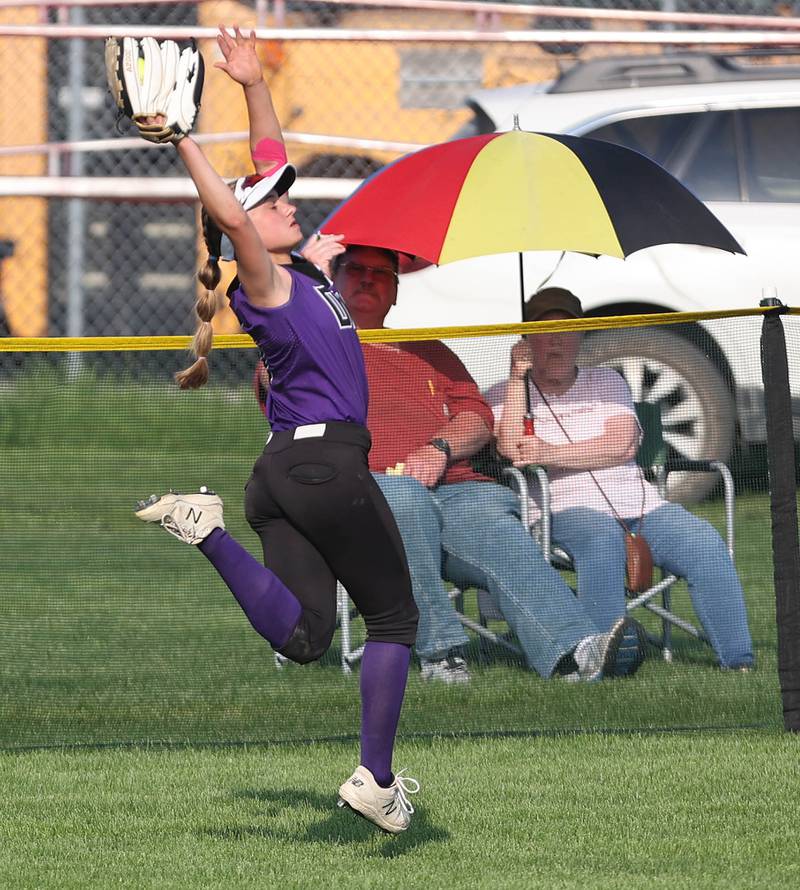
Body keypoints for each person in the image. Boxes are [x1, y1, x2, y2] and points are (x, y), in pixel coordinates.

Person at [133, 28, 420, 834]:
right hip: (327, 465)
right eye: (275, 204)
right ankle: (377, 778)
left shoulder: (302, 272)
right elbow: (231, 209)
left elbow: (267, 165)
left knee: (305, 636)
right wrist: (184, 135)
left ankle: (208, 532)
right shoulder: (259, 279)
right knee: (395, 619)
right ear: (250, 230)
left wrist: (255, 85)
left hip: (278, 481)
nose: (291, 200)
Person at [311, 243, 647, 684]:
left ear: (396, 292)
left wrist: (439, 448)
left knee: (497, 531)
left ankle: (577, 652)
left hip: (457, 488)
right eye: (356, 270)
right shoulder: (311, 351)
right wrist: (310, 297)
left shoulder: (428, 351)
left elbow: (477, 418)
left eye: (382, 274)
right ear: (333, 281)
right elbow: (276, 393)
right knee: (406, 499)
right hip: (368, 494)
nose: (369, 279)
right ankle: (441, 653)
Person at [490, 286, 754, 671]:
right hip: (560, 511)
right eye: (546, 331)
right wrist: (517, 380)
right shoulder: (505, 394)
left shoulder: (607, 382)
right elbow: (512, 450)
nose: (558, 341)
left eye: (568, 330)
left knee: (702, 539)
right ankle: (602, 658)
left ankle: (739, 661)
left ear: (583, 335)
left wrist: (549, 454)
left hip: (641, 505)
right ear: (527, 339)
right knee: (600, 535)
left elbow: (621, 445)